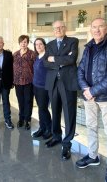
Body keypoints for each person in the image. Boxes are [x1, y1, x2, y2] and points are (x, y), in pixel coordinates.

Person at [76, 18, 107, 182]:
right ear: (91, 28)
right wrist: (86, 90)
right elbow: (80, 70)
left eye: (100, 27)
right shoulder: (88, 47)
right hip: (89, 96)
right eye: (94, 27)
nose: (97, 30)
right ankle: (93, 155)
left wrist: (93, 91)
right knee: (91, 127)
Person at [43, 20, 79, 161]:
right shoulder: (50, 44)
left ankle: (67, 143)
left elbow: (72, 59)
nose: (58, 29)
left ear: (65, 28)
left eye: (60, 27)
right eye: (55, 28)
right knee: (55, 111)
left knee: (69, 113)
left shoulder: (73, 41)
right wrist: (61, 59)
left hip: (67, 82)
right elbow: (46, 62)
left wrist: (54, 59)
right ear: (53, 30)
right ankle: (56, 136)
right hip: (53, 82)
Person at [13, 35, 36, 130]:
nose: (23, 43)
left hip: (29, 82)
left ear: (28, 43)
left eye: (25, 42)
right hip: (17, 82)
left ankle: (28, 120)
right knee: (20, 101)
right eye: (22, 42)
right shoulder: (15, 54)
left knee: (28, 101)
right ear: (19, 43)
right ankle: (21, 119)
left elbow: (36, 67)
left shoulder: (32, 54)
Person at [31, 38, 52, 140]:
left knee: (43, 109)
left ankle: (49, 129)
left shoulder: (48, 56)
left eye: (40, 44)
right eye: (36, 44)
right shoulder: (37, 56)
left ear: (44, 45)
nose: (38, 46)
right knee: (40, 109)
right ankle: (42, 128)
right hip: (36, 86)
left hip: (44, 87)